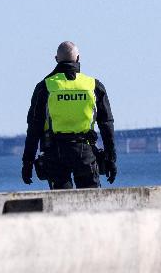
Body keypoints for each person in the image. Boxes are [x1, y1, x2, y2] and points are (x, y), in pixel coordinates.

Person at [21, 41, 117, 189]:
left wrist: (27, 163)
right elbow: (107, 125)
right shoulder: (93, 85)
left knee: (60, 205)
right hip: (85, 151)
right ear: (78, 58)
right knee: (91, 204)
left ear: (56, 59)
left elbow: (34, 128)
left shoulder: (45, 86)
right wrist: (111, 160)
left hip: (55, 152)